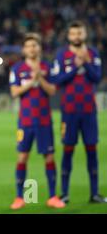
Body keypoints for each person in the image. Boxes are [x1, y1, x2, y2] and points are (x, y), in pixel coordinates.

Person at [9, 33, 65, 210]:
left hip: (44, 120)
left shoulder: (47, 67)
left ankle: (52, 196)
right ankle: (19, 197)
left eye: (35, 45)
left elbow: (52, 91)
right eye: (29, 46)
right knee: (23, 156)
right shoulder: (17, 68)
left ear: (39, 48)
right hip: (25, 121)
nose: (32, 48)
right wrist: (31, 81)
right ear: (24, 49)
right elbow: (14, 92)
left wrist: (40, 78)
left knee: (49, 156)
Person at [53, 21, 106, 204]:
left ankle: (95, 193)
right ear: (69, 36)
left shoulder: (93, 53)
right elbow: (58, 80)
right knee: (68, 150)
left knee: (92, 150)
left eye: (80, 33)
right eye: (74, 34)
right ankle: (65, 194)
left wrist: (87, 63)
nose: (77, 36)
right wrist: (76, 66)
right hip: (69, 111)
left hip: (89, 110)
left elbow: (97, 77)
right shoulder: (62, 55)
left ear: (85, 34)